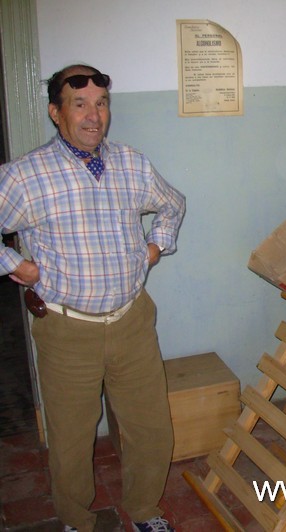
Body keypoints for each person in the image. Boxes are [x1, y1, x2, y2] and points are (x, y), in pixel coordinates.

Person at [0, 64, 186, 532]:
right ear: (55, 112)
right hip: (67, 331)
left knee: (150, 429)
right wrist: (13, 264)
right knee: (70, 440)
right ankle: (75, 521)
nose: (93, 115)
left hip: (132, 322)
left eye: (101, 103)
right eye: (79, 104)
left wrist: (155, 246)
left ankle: (145, 511)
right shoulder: (25, 175)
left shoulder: (131, 163)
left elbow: (173, 203)